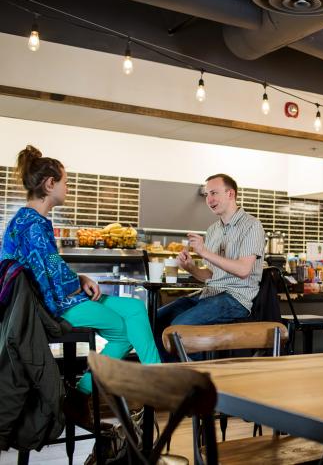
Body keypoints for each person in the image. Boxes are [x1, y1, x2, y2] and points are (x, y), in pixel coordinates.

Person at [0, 145, 161, 429]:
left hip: (53, 301)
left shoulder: (28, 221)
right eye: (66, 182)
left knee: (135, 307)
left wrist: (82, 279)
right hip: (51, 309)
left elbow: (49, 268)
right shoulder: (33, 225)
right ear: (50, 184)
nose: (68, 187)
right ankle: (83, 393)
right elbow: (54, 280)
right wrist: (77, 281)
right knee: (124, 332)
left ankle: (157, 379)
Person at [154, 173, 265, 360]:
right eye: (206, 194)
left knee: (179, 328)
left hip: (236, 299)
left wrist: (204, 252)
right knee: (156, 320)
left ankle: (194, 382)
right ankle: (164, 375)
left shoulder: (252, 226)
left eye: (214, 193)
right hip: (209, 294)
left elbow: (243, 270)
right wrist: (190, 267)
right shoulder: (213, 229)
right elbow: (211, 275)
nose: (209, 199)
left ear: (230, 194)